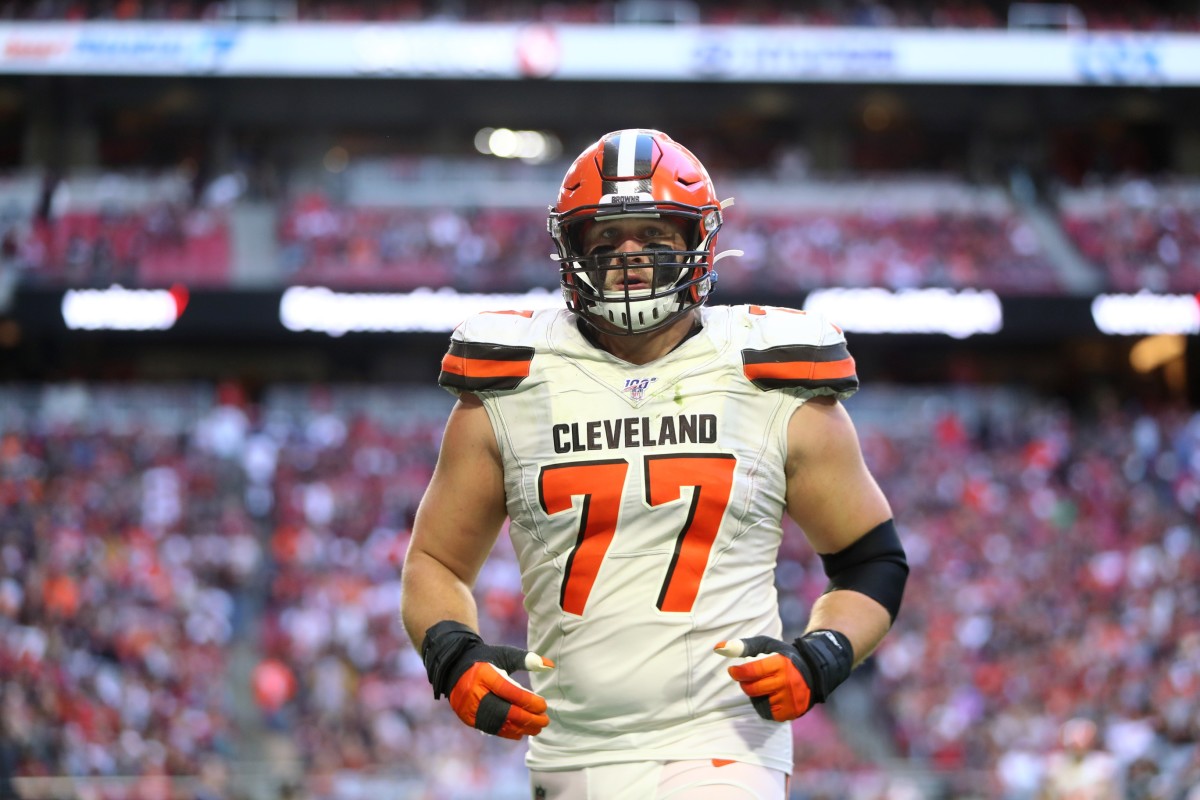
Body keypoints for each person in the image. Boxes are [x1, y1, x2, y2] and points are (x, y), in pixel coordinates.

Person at [400, 128, 909, 799]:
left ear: (698, 242)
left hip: (723, 747)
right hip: (569, 747)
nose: (629, 259)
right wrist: (452, 655)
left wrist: (823, 655)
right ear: (570, 251)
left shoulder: (769, 372)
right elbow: (433, 563)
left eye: (655, 237)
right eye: (605, 241)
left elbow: (871, 560)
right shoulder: (513, 378)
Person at [1039, 718, 1121, 800]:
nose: (1079, 743)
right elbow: (1045, 794)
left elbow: (1110, 795)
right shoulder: (1054, 764)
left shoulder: (1103, 764)